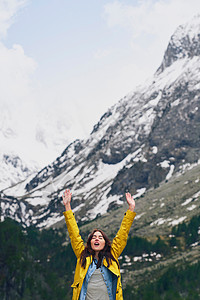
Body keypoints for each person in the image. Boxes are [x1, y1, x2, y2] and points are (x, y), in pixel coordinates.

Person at [62, 189, 136, 300]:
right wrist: (67, 206)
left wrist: (131, 209)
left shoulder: (113, 254)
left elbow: (123, 233)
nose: (97, 239)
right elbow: (74, 233)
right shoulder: (82, 255)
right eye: (94, 237)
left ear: (105, 243)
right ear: (90, 242)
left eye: (100, 237)